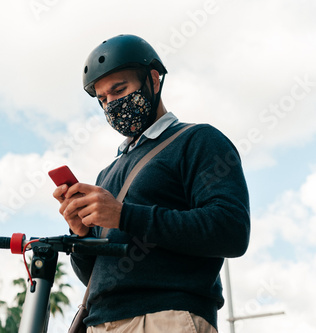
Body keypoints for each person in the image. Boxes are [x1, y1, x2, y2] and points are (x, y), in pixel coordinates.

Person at [52, 34, 250, 333]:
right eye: (103, 99)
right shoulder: (108, 172)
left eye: (119, 90)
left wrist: (123, 215)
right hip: (99, 324)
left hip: (165, 317)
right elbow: (98, 277)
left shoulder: (198, 141)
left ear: (153, 80)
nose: (112, 105)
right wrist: (81, 236)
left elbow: (230, 230)